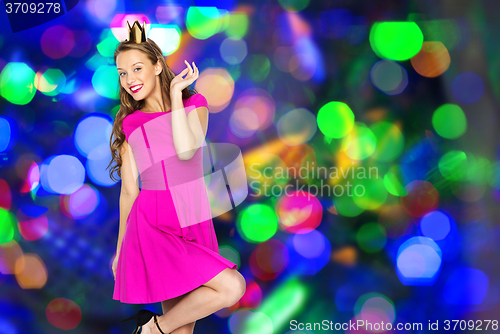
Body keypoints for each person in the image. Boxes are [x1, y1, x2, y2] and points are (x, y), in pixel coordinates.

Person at [107, 20, 246, 334]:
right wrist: (120, 250)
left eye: (137, 68)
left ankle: (151, 330)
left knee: (181, 331)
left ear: (157, 66)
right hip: (154, 223)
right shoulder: (131, 123)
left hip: (193, 218)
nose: (130, 80)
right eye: (123, 73)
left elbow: (187, 150)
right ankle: (152, 329)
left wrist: (173, 93)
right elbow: (128, 191)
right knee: (231, 287)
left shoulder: (194, 104)